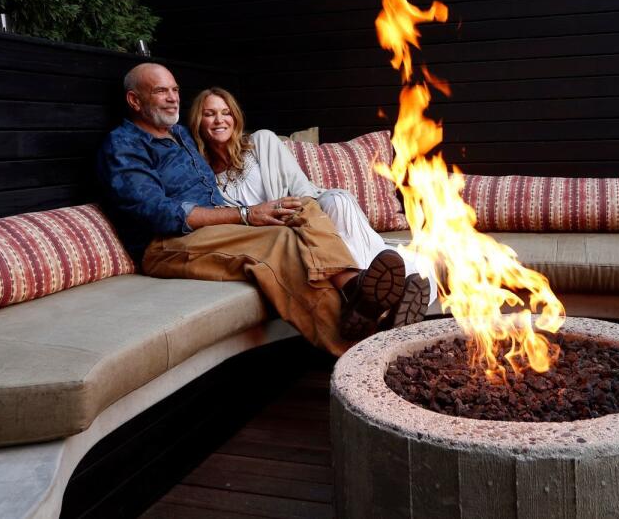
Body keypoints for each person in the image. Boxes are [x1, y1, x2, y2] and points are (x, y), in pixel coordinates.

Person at [96, 63, 412, 354]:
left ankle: (355, 288)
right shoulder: (124, 145)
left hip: (213, 229)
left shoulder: (179, 135)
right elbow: (158, 212)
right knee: (281, 242)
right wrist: (247, 215)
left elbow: (221, 152)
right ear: (134, 101)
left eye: (175, 90)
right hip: (167, 243)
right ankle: (359, 345)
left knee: (300, 208)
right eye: (160, 91)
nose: (171, 98)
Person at [187, 86, 434, 336]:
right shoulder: (202, 179)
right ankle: (392, 295)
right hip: (272, 237)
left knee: (338, 200)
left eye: (225, 112)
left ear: (235, 117)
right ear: (198, 121)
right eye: (210, 114)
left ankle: (369, 299)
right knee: (303, 238)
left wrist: (295, 212)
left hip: (303, 213)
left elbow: (303, 190)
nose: (219, 120)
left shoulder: (262, 142)